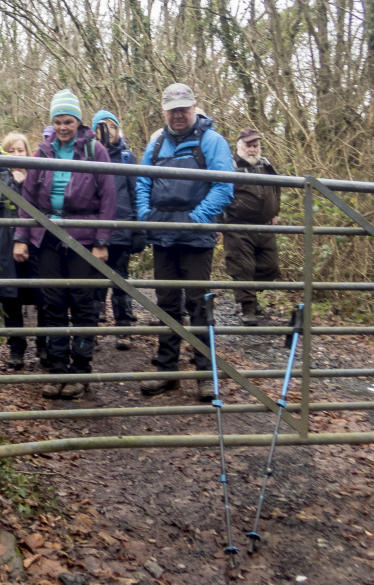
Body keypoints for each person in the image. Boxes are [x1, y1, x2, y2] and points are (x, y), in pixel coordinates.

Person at [13, 89, 117, 399]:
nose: (62, 127)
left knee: (83, 303)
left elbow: (109, 196)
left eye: (68, 121)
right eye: (57, 122)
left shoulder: (95, 150)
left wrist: (102, 240)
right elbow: (28, 198)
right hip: (47, 236)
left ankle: (81, 369)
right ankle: (57, 368)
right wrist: (21, 237)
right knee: (53, 301)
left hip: (83, 235)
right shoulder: (43, 152)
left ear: (79, 122)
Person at [135, 83, 234, 402]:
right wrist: (143, 214)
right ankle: (168, 372)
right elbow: (141, 180)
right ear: (164, 111)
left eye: (184, 109)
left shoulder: (212, 141)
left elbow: (225, 186)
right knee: (166, 303)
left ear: (194, 108)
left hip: (195, 235)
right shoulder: (156, 143)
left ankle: (206, 374)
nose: (178, 115)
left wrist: (197, 218)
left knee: (197, 302)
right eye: (172, 109)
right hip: (162, 233)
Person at [0, 132, 47, 370]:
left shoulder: (37, 176)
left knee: (42, 295)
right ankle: (17, 348)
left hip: (35, 243)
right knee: (10, 298)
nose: (16, 155)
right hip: (5, 244)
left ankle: (43, 345)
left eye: (20, 150)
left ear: (28, 152)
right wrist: (12, 181)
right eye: (11, 151)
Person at [92, 110, 143, 349]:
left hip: (121, 226)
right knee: (93, 282)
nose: (108, 131)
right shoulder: (88, 157)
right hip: (94, 228)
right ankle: (90, 329)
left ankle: (123, 328)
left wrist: (138, 228)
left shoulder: (126, 158)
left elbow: (136, 192)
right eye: (103, 127)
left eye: (112, 127)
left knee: (121, 281)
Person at [223, 127, 281, 326]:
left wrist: (275, 211)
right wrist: (220, 223)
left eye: (255, 145)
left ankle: (251, 295)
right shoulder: (229, 166)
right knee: (243, 266)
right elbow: (219, 192)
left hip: (264, 226)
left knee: (270, 266)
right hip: (239, 226)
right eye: (248, 145)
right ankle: (248, 309)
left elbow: (276, 187)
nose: (252, 150)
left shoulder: (265, 164)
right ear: (239, 146)